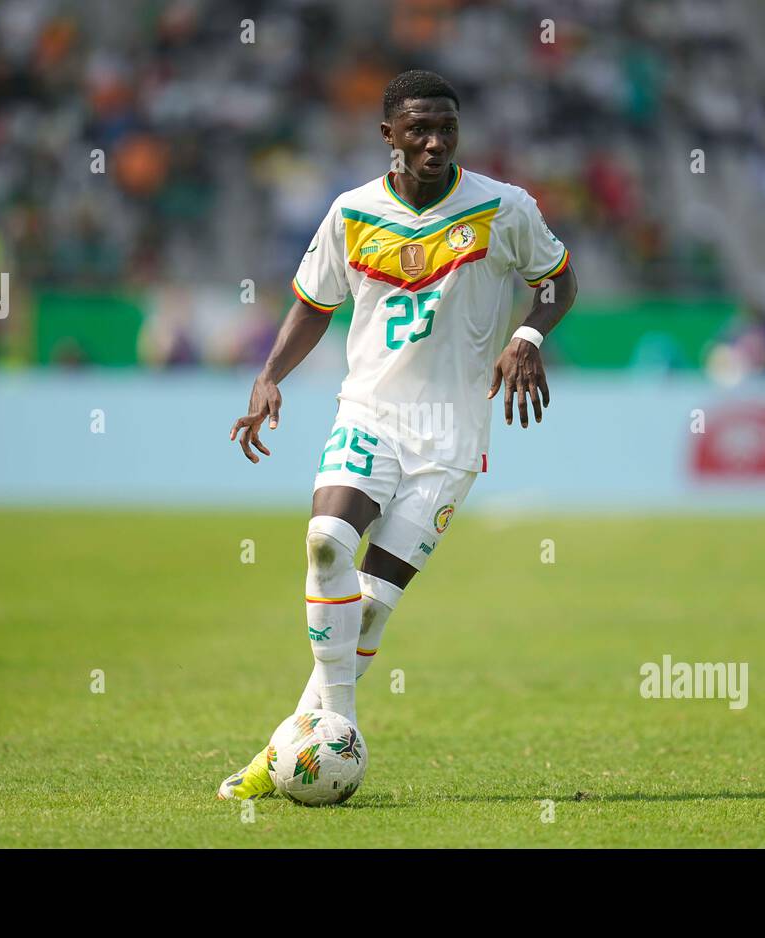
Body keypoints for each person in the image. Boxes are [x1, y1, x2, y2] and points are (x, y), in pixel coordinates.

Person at [218, 70, 579, 800]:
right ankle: (340, 727)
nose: (435, 141)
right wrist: (270, 375)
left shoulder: (504, 209)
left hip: (450, 437)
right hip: (369, 414)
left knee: (375, 603)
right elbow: (314, 305)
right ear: (388, 134)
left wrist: (531, 336)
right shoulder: (351, 214)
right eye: (418, 129)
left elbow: (559, 281)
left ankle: (285, 747)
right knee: (325, 542)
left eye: (446, 127)